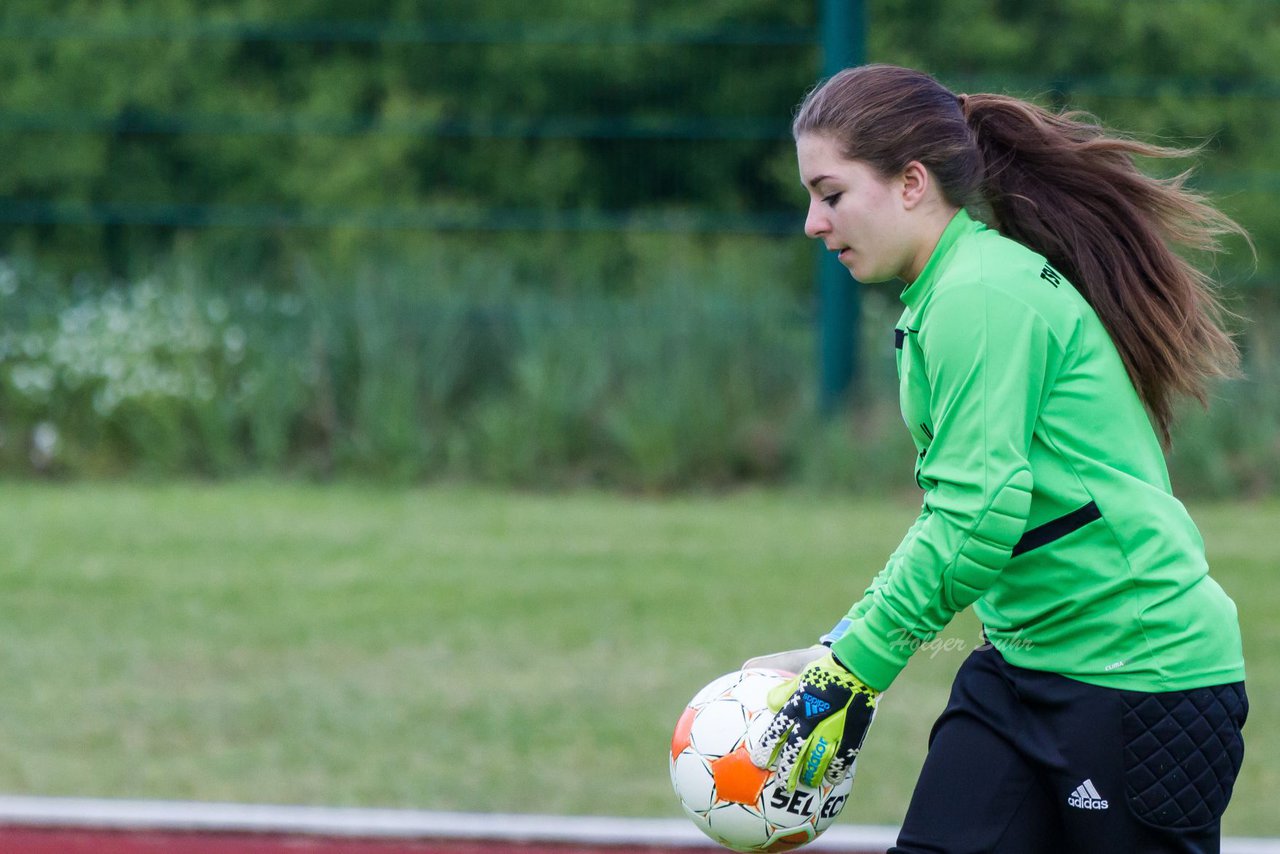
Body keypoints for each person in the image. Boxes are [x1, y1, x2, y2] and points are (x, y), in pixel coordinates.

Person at [746, 64, 1249, 853]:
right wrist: (839, 648)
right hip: (1019, 668)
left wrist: (851, 672)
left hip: (1140, 680)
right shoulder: (950, 293)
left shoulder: (980, 296)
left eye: (831, 193)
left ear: (912, 183)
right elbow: (963, 515)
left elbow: (976, 518)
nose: (813, 221)